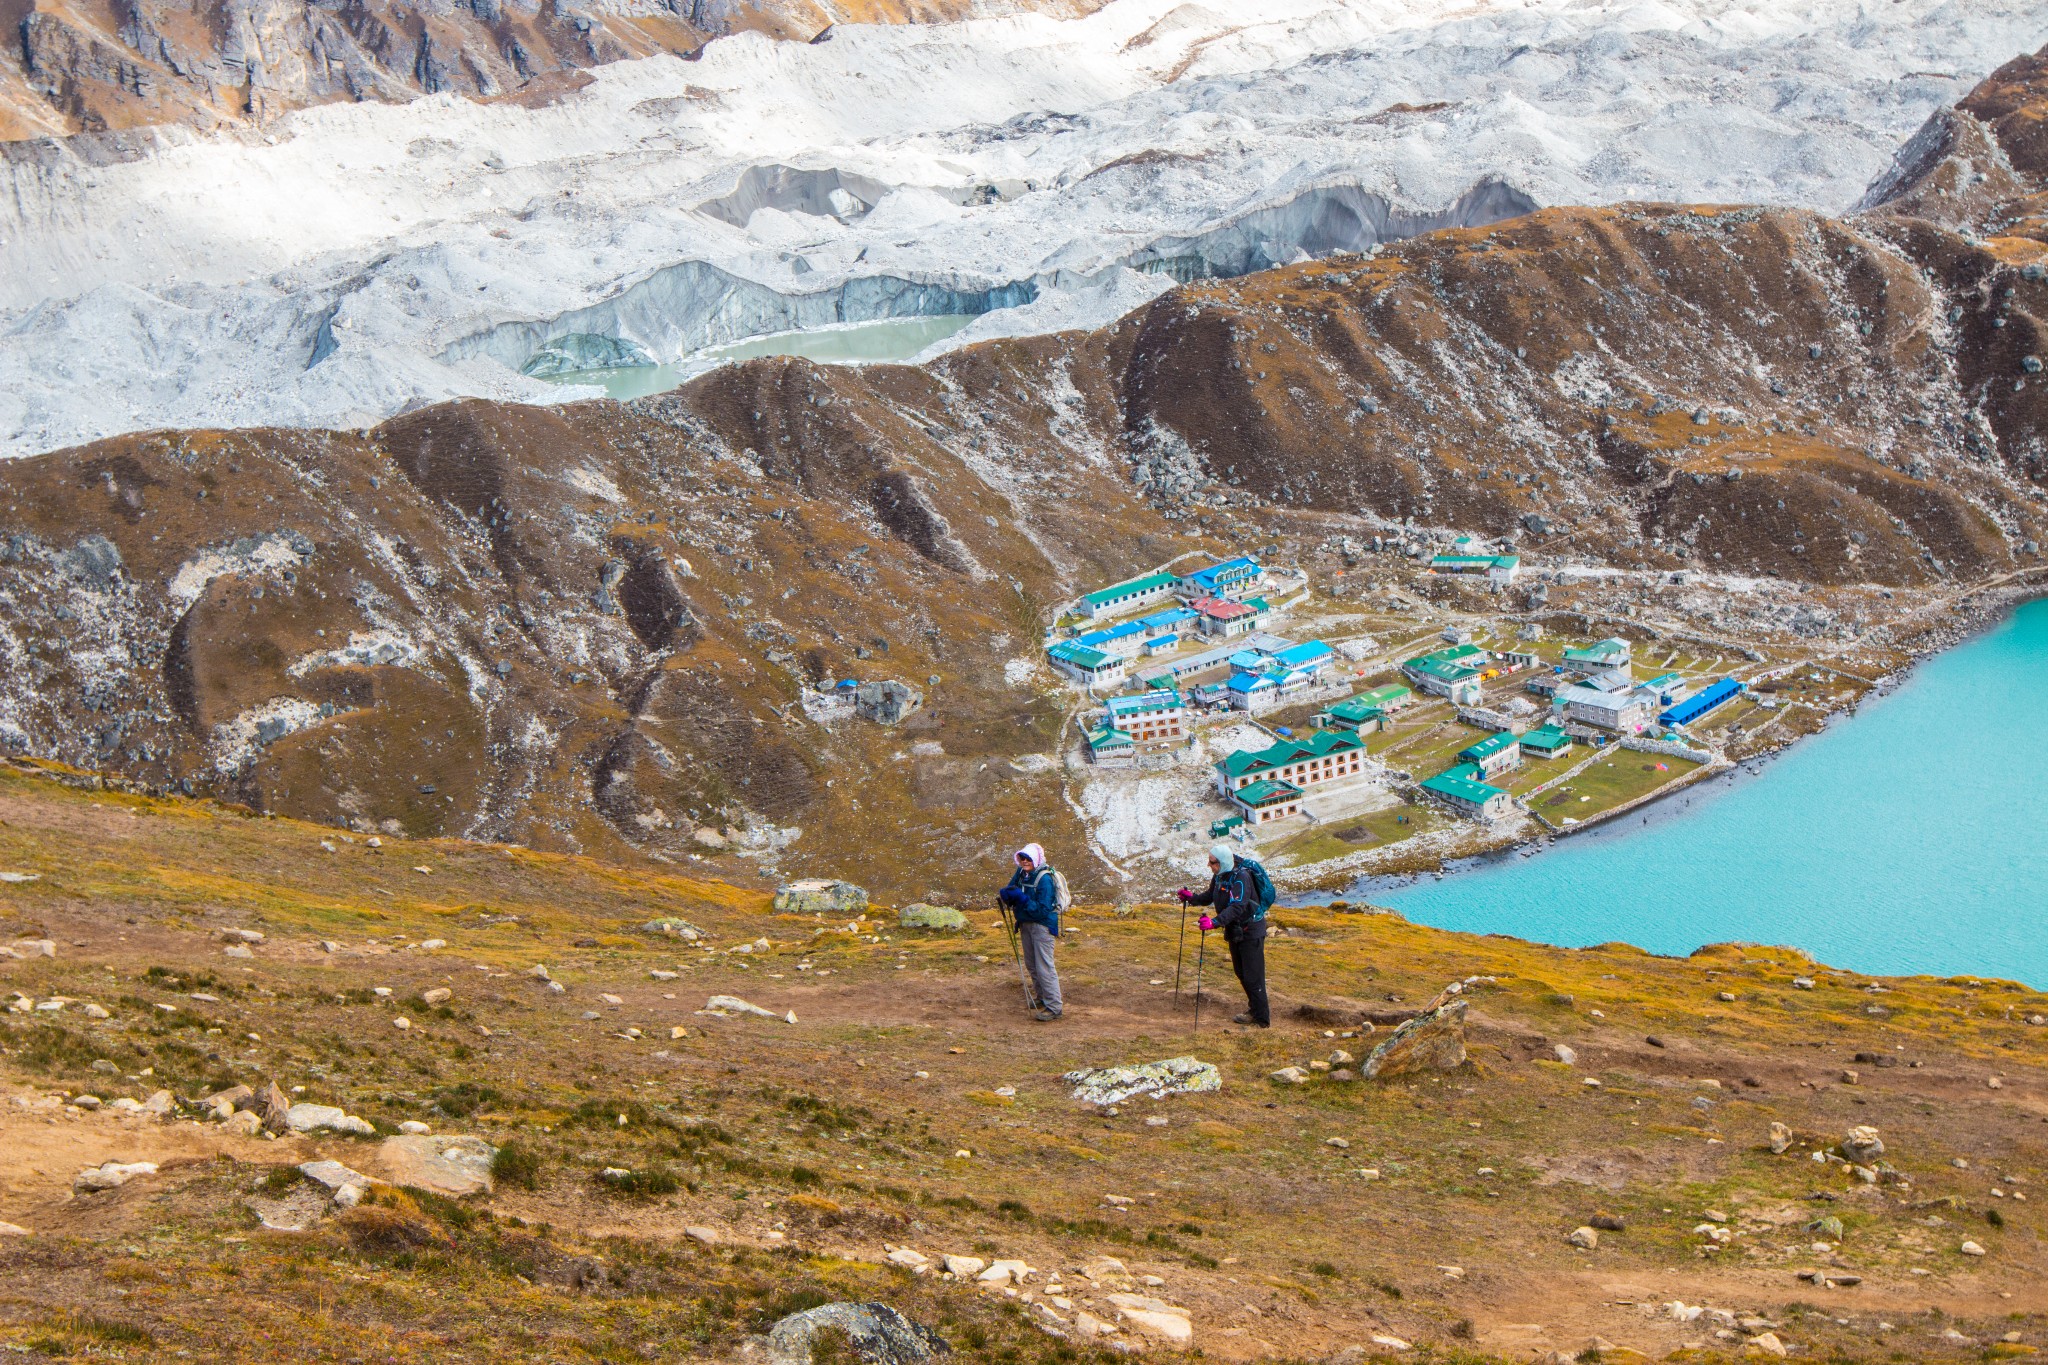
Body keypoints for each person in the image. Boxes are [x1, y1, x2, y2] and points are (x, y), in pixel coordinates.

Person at [1180, 843, 1272, 1027]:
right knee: (1241, 973)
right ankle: (1254, 1010)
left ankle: (1262, 1020)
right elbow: (1210, 896)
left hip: (1251, 931)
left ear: (1222, 862)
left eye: (1212, 862)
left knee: (1253, 976)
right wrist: (1192, 898)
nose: (1209, 865)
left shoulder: (1241, 878)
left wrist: (1214, 923)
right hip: (1235, 930)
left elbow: (1238, 906)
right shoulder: (1220, 876)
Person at [999, 843, 1063, 1022]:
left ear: (1036, 859)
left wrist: (1022, 899)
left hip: (1042, 926)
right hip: (1025, 923)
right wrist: (1007, 895)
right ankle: (1042, 998)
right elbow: (1012, 889)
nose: (1025, 861)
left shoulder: (1045, 879)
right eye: (1022, 858)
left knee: (1044, 967)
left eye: (1028, 858)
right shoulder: (1021, 873)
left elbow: (1042, 910)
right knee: (1032, 965)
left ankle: (1054, 1006)